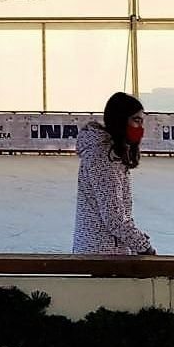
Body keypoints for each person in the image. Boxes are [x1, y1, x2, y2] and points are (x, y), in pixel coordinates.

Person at [71, 92, 155, 255]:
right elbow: (115, 219)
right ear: (120, 120)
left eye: (141, 121)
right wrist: (144, 247)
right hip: (102, 255)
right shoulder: (104, 157)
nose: (140, 128)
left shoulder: (111, 153)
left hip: (105, 250)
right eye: (136, 120)